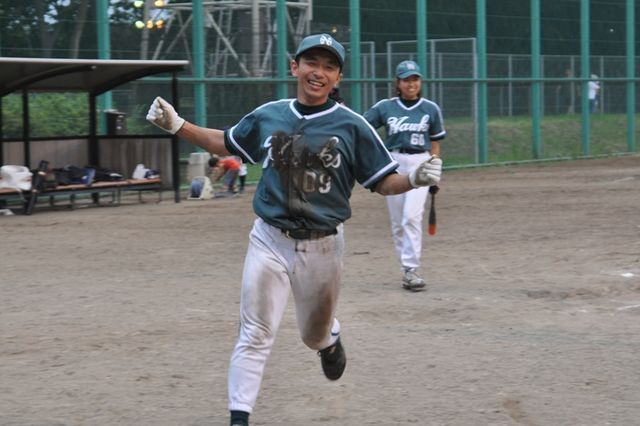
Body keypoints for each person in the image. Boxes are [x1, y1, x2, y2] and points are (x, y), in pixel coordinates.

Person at [146, 33, 442, 426]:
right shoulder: (270, 114)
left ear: (337, 78)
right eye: (311, 62)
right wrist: (178, 125)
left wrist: (414, 178)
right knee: (255, 334)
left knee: (312, 335)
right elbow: (226, 142)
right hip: (269, 239)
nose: (318, 72)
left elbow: (383, 182)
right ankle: (239, 418)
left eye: (329, 66)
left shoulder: (353, 126)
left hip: (324, 246)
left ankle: (328, 340)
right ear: (294, 67)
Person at [363, 60, 446, 291]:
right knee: (398, 221)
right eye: (406, 80)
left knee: (411, 216)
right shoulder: (385, 107)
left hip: (421, 162)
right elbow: (362, 127)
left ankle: (411, 268)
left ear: (420, 82)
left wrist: (434, 170)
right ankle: (407, 271)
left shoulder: (430, 108)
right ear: (397, 83)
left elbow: (435, 143)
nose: (411, 84)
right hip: (394, 162)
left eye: (415, 79)